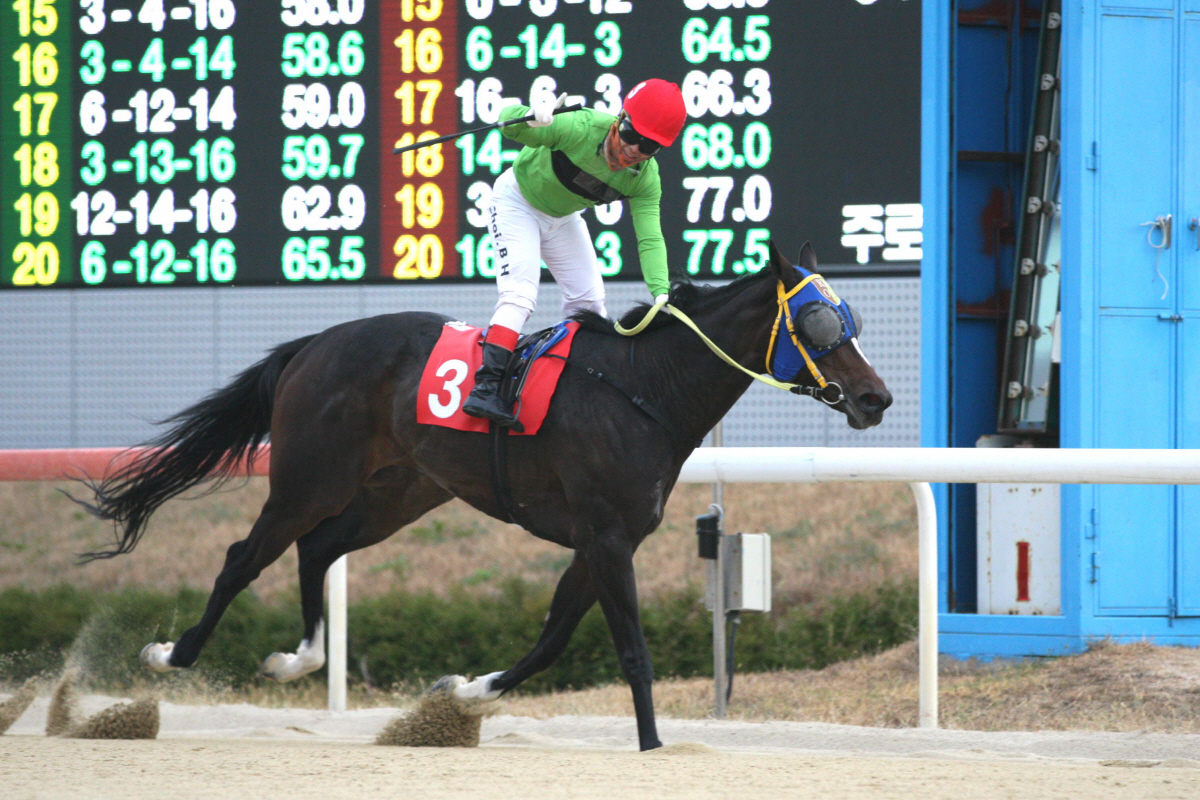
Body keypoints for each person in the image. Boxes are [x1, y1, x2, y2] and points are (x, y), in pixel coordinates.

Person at [461, 78, 687, 426]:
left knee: (590, 303)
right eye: (631, 135)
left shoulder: (645, 178)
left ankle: (570, 388)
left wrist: (660, 293)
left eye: (650, 146)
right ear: (619, 118)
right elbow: (508, 123)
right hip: (516, 202)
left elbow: (650, 238)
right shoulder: (580, 127)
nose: (634, 150)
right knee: (520, 295)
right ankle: (486, 387)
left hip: (562, 218)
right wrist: (529, 117)